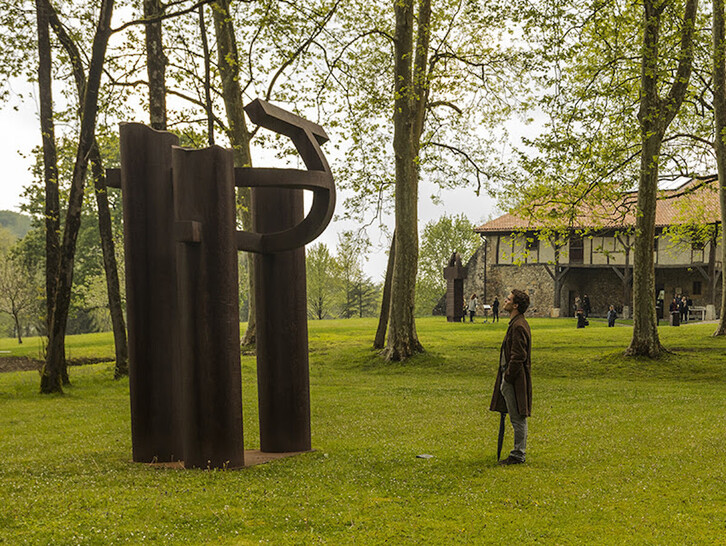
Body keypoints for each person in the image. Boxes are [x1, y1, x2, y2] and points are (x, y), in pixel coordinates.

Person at [490, 289, 532, 465]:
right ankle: (517, 452)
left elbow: (518, 356)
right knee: (515, 416)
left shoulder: (518, 326)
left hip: (515, 378)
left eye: (508, 299)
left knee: (517, 417)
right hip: (510, 375)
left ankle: (518, 454)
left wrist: (508, 377)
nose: (505, 301)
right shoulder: (516, 323)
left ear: (515, 305)